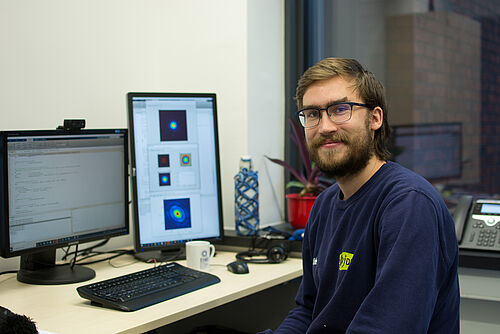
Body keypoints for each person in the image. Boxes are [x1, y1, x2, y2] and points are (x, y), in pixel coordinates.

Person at [258, 58, 459, 333]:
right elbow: (308, 311)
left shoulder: (408, 205)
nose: (325, 126)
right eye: (313, 114)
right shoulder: (324, 206)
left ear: (375, 118)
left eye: (340, 109)